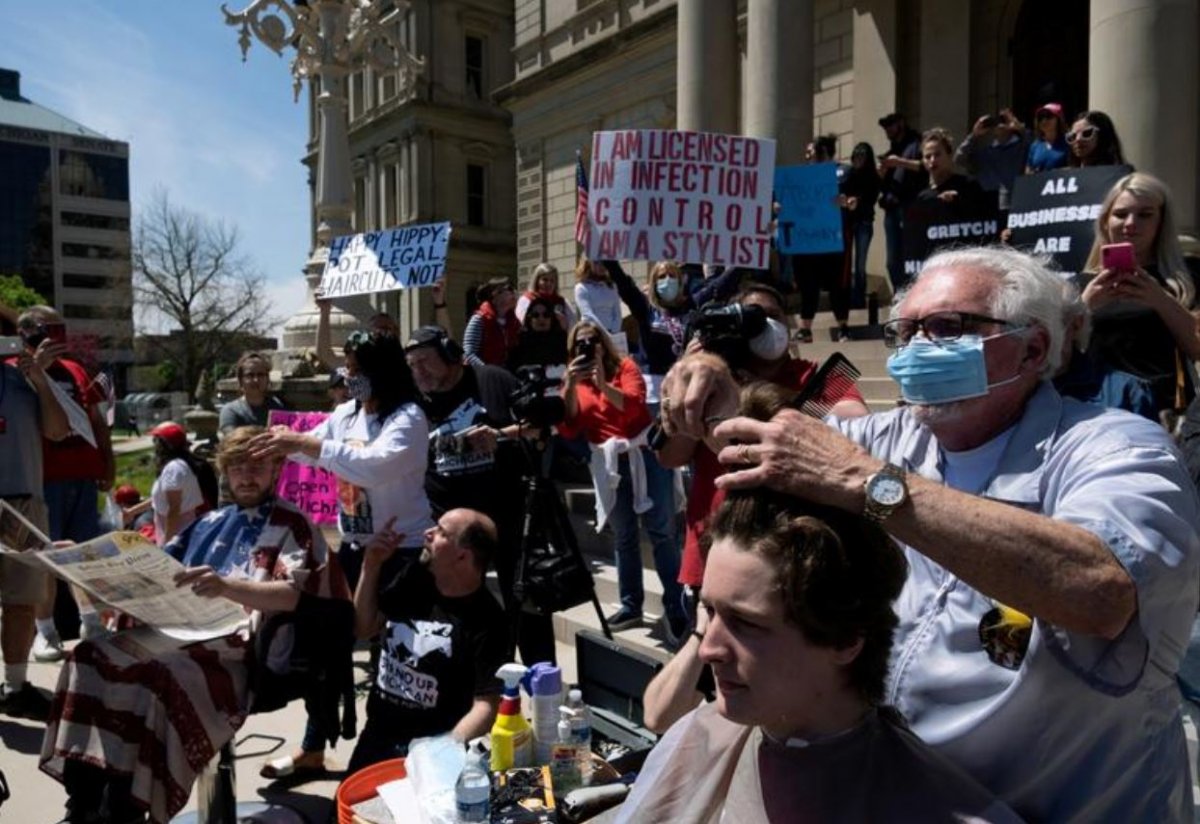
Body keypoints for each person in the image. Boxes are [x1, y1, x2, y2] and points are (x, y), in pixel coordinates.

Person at [658, 245, 1200, 821]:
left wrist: (868, 484)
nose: (917, 348)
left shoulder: (1119, 448)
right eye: (905, 331)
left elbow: (1102, 591)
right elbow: (768, 435)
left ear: (1033, 348)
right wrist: (716, 382)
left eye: (946, 328)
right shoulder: (890, 439)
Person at [619, 487, 1018, 823]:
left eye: (747, 623)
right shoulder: (703, 735)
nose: (708, 649)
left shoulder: (933, 806)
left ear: (845, 640)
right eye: (709, 611)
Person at [41, 425, 348, 824]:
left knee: (155, 676)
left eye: (257, 466)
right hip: (179, 632)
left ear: (276, 468)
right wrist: (83, 567)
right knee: (88, 657)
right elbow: (153, 578)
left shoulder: (293, 524)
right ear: (225, 472)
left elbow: (296, 596)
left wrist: (226, 586)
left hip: (243, 647)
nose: (246, 476)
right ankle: (85, 802)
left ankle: (125, 807)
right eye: (237, 467)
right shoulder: (208, 522)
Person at [248, 330, 432, 777]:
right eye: (347, 368)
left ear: (380, 371)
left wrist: (306, 445)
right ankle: (313, 746)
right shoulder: (346, 414)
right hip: (352, 549)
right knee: (326, 651)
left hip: (402, 552)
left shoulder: (408, 418)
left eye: (355, 369)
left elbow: (373, 465)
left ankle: (393, 750)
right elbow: (314, 452)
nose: (348, 377)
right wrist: (279, 444)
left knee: (395, 654)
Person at [655, 283, 868, 609]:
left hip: (794, 565)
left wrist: (751, 391)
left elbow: (857, 424)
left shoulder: (819, 374)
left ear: (789, 324)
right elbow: (670, 456)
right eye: (754, 316)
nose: (767, 323)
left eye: (774, 315)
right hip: (714, 560)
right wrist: (691, 384)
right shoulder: (712, 382)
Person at [404, 325, 557, 664]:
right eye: (412, 365)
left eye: (425, 361)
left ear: (450, 353)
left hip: (507, 517)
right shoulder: (414, 400)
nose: (419, 371)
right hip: (448, 529)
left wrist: (500, 435)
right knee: (453, 608)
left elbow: (540, 426)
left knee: (527, 607)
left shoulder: (492, 380)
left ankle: (542, 681)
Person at [348, 508, 509, 772]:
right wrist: (371, 564)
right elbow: (364, 628)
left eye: (441, 532)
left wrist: (442, 751)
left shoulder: (488, 621)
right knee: (346, 801)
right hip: (378, 736)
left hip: (435, 748)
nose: (428, 533)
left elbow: (486, 706)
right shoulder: (414, 578)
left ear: (462, 556)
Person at [558, 320, 688, 643]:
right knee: (624, 536)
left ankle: (676, 605)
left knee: (662, 532)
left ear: (603, 342)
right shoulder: (573, 381)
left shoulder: (626, 367)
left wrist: (603, 384)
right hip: (609, 464)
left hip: (644, 456)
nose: (587, 347)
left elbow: (633, 406)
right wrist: (571, 386)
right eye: (579, 343)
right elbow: (570, 427)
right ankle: (631, 606)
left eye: (593, 340)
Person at [15, 306, 115, 657]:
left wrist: (107, 461)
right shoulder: (14, 370)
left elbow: (96, 420)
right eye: (49, 330)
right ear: (27, 334)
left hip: (82, 475)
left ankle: (92, 621)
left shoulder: (75, 369)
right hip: (41, 478)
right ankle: (46, 631)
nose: (58, 337)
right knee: (45, 559)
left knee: (84, 555)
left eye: (61, 329)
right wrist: (36, 371)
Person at [1080, 172, 1200, 418]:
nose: (1130, 223)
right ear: (1105, 221)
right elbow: (1054, 354)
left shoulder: (1186, 277)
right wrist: (1083, 307)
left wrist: (1160, 300)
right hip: (1094, 410)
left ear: (1161, 223)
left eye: (1145, 215)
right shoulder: (1081, 283)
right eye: (1120, 214)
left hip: (1161, 411)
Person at [0, 326, 69, 720]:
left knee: (22, 601)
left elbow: (57, 431)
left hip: (24, 503)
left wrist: (40, 378)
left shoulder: (23, 379)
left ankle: (14, 687)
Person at [603, 258, 742, 409]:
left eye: (672, 276)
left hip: (683, 384)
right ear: (654, 284)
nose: (667, 280)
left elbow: (718, 287)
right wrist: (605, 255)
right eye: (662, 277)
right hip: (652, 391)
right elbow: (622, 282)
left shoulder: (691, 305)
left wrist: (744, 262)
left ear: (680, 282)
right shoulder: (646, 308)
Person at [791, 135, 853, 342]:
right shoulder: (801, 177)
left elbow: (855, 200)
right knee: (808, 283)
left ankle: (843, 327)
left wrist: (847, 202)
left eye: (811, 151)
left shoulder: (844, 173)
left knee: (837, 284)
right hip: (809, 239)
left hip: (834, 238)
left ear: (823, 152)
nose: (807, 156)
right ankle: (805, 329)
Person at [122, 421, 213, 548]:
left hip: (178, 534)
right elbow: (159, 498)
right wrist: (132, 512)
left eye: (156, 441)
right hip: (175, 530)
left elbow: (174, 508)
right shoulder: (178, 465)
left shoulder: (173, 469)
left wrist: (169, 542)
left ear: (164, 445)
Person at [877, 112, 929, 291]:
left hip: (911, 208)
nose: (887, 130)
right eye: (885, 127)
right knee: (892, 263)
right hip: (891, 209)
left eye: (890, 125)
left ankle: (914, 295)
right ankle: (900, 296)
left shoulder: (917, 143)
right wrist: (881, 174)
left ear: (901, 123)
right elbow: (882, 186)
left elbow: (925, 166)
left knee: (912, 258)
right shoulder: (890, 152)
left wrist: (900, 162)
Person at [954, 108, 1030, 211]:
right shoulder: (986, 154)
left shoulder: (1022, 147)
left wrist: (1021, 129)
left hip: (1016, 206)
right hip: (988, 208)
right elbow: (959, 158)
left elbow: (1038, 147)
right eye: (996, 122)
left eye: (1004, 121)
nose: (999, 125)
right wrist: (973, 136)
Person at [841, 142, 882, 309]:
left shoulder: (873, 177)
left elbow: (871, 198)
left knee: (860, 263)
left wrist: (858, 200)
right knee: (846, 262)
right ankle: (848, 295)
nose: (858, 158)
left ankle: (858, 298)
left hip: (864, 222)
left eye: (862, 155)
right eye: (856, 155)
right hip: (849, 221)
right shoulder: (849, 174)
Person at [218, 351, 285, 434]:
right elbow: (232, 438)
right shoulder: (230, 411)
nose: (256, 380)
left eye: (260, 375)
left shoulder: (277, 406)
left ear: (267, 379)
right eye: (250, 375)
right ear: (241, 380)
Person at [463, 277, 520, 367]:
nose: (514, 292)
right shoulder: (479, 319)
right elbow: (469, 354)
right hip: (482, 373)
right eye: (509, 289)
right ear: (495, 294)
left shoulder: (514, 322)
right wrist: (489, 371)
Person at [507, 294, 568, 378]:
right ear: (529, 319)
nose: (541, 319)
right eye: (535, 315)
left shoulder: (563, 342)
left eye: (546, 315)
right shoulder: (520, 343)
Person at [917, 128, 984, 204]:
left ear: (949, 155)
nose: (932, 160)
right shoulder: (922, 197)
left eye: (937, 155)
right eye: (928, 157)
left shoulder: (968, 186)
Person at [515, 262, 575, 330]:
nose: (548, 284)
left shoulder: (562, 302)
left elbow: (572, 326)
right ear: (537, 281)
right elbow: (522, 323)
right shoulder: (527, 299)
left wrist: (563, 322)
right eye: (545, 280)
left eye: (552, 281)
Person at [573, 257, 623, 335]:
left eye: (604, 262)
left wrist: (614, 331)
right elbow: (588, 314)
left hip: (613, 334)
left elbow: (617, 313)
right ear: (588, 263)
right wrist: (604, 334)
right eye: (596, 262)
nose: (601, 266)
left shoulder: (612, 286)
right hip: (592, 333)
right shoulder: (581, 287)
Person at [1026, 102, 1069, 173]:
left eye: (1048, 116)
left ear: (1058, 119)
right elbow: (1028, 169)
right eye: (1040, 118)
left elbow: (1075, 167)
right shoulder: (1035, 146)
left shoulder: (1068, 143)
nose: (1044, 121)